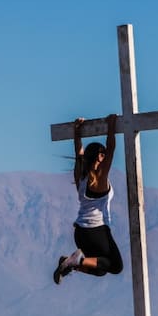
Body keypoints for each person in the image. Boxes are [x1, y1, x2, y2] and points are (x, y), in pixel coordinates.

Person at [53, 114, 124, 284]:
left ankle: (70, 263)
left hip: (80, 233)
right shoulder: (100, 176)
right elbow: (111, 148)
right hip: (96, 230)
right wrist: (111, 126)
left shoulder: (81, 177)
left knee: (100, 270)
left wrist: (77, 132)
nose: (105, 155)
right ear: (100, 156)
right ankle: (77, 261)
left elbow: (78, 152)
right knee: (116, 266)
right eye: (103, 154)